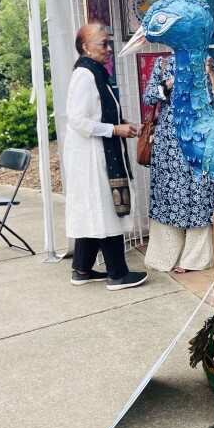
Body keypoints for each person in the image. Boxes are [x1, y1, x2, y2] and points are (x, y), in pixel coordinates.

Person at [63, 23, 147, 291]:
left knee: (93, 208)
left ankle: (82, 269)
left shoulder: (92, 72)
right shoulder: (87, 76)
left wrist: (120, 123)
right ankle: (117, 274)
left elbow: (97, 112)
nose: (110, 49)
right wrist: (113, 129)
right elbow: (77, 120)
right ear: (86, 47)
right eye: (104, 44)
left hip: (94, 151)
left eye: (109, 43)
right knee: (105, 208)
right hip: (90, 155)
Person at [142, 54, 214, 273]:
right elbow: (149, 97)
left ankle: (195, 259)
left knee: (200, 195)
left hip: (200, 140)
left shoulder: (204, 58)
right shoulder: (162, 63)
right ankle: (165, 255)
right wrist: (170, 82)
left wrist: (210, 72)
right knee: (168, 196)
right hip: (169, 142)